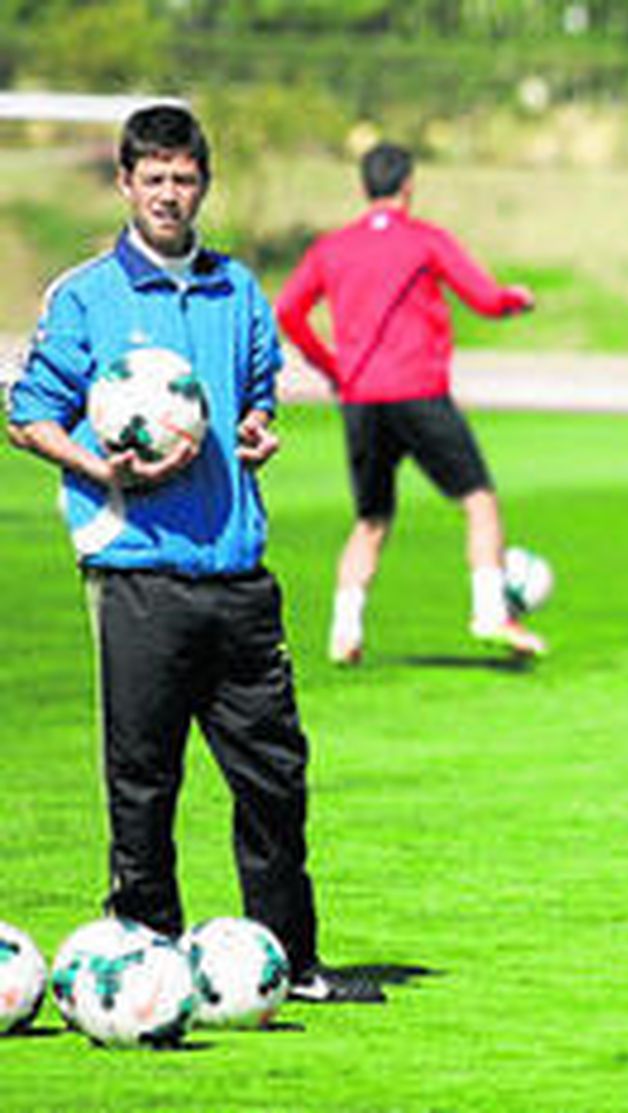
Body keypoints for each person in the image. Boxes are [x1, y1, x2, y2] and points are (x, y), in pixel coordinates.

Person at [5, 105, 377, 1002]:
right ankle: (147, 959)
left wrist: (258, 427)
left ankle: (291, 959)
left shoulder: (238, 288)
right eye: (154, 178)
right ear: (126, 184)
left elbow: (256, 395)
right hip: (138, 571)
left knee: (275, 780)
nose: (169, 193)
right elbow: (27, 415)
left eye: (184, 178)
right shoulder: (87, 296)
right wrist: (99, 467)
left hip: (238, 573)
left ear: (203, 184)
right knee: (144, 782)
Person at [275, 142, 543, 664]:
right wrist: (517, 300)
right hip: (418, 392)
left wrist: (333, 368)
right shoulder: (425, 240)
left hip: (360, 399)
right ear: (409, 184)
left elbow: (288, 311)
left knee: (370, 520)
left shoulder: (332, 248)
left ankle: (344, 634)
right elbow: (485, 299)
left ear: (363, 186)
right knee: (479, 502)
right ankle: (490, 613)